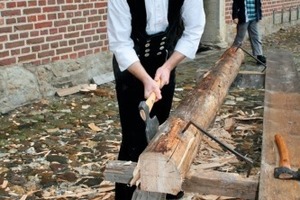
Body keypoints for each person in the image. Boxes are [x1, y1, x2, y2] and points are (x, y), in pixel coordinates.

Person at [107, 0, 205, 199]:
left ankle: (161, 188)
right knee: (133, 136)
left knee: (161, 131)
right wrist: (145, 78)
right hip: (131, 67)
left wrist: (168, 66)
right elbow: (120, 44)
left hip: (165, 65)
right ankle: (127, 194)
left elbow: (194, 30)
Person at [232, 0, 266, 65]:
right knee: (239, 37)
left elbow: (258, 4)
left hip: (254, 18)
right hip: (244, 18)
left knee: (256, 37)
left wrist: (259, 14)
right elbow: (235, 4)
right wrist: (235, 16)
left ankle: (259, 55)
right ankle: (232, 54)